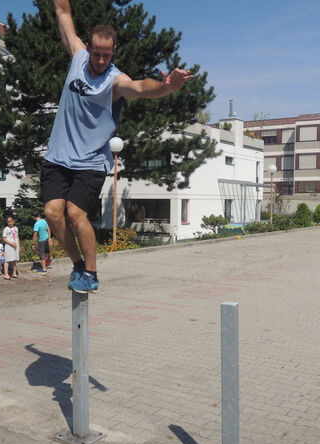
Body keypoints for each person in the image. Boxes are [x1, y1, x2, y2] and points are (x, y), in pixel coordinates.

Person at [42, 0, 193, 293]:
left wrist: (166, 87)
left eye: (106, 55)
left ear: (113, 52)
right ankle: (77, 265)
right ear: (87, 47)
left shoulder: (115, 81)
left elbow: (138, 87)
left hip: (89, 160)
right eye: (96, 54)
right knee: (51, 212)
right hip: (58, 157)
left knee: (75, 212)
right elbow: (62, 10)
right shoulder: (77, 57)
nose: (100, 61)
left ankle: (92, 273)